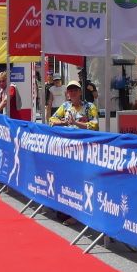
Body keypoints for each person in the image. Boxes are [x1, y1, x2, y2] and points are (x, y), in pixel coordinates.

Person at [48, 80, 99, 226]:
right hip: (68, 150)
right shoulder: (65, 106)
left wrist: (76, 123)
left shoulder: (90, 106)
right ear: (67, 93)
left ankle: (79, 214)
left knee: (81, 181)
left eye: (75, 90)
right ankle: (68, 210)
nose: (73, 92)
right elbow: (51, 120)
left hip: (85, 150)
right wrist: (64, 122)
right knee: (68, 180)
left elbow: (94, 125)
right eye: (70, 90)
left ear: (80, 91)